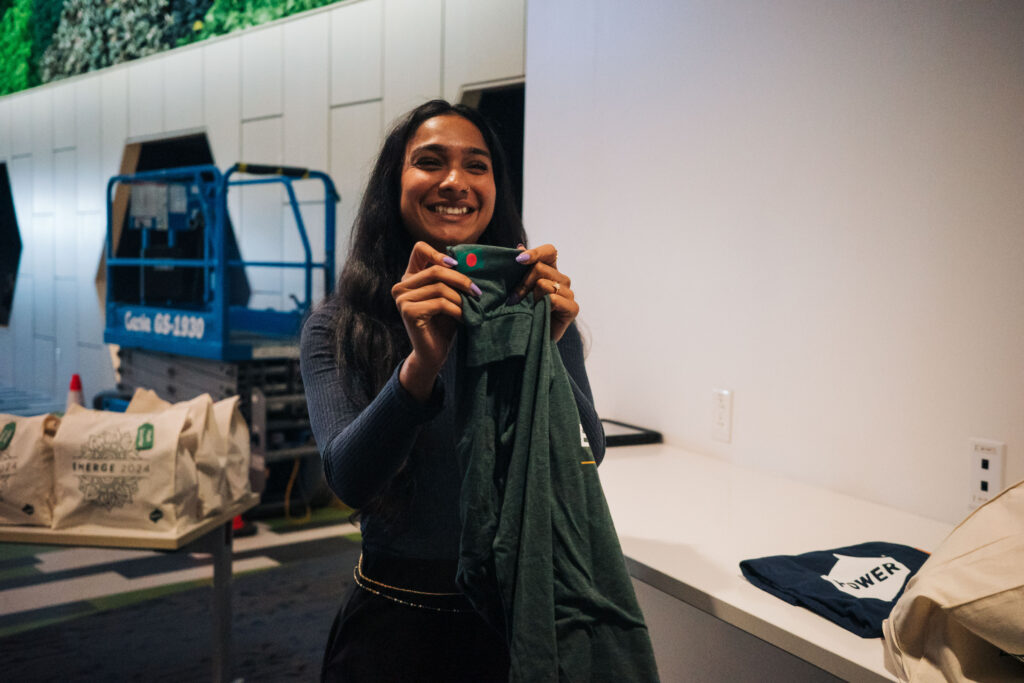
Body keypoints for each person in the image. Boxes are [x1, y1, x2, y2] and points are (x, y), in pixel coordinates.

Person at [300, 99, 605, 682]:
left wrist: (550, 349)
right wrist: (421, 364)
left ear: (496, 187)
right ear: (396, 183)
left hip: (519, 621)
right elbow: (350, 480)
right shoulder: (341, 324)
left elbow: (587, 456)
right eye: (430, 162)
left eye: (476, 165)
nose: (454, 182)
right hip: (396, 626)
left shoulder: (533, 308)